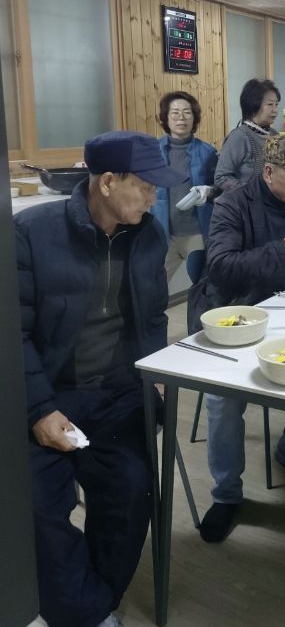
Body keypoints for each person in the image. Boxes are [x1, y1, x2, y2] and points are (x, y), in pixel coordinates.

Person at [16, 131, 186, 627]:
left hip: (117, 394)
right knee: (38, 508)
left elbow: (153, 317)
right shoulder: (31, 233)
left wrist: (156, 373)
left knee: (133, 492)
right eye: (146, 186)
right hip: (51, 394)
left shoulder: (149, 234)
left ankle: (91, 602)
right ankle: (83, 611)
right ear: (108, 182)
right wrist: (40, 409)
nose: (154, 198)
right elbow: (13, 334)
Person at [195, 135, 285, 544]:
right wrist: (280, 252)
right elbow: (219, 267)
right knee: (222, 401)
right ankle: (226, 494)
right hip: (235, 316)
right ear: (268, 172)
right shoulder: (232, 205)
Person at [151, 91, 219, 280]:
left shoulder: (207, 152)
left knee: (202, 284)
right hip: (164, 234)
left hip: (198, 234)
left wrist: (209, 191)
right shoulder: (154, 151)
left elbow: (220, 187)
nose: (181, 118)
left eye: (187, 112)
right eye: (175, 112)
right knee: (155, 285)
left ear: (194, 117)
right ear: (165, 117)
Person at [213, 78, 280, 193]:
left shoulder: (275, 135)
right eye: (270, 104)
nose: (275, 110)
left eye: (276, 104)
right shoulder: (240, 136)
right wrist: (251, 192)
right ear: (253, 105)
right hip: (246, 202)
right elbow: (221, 177)